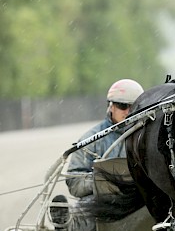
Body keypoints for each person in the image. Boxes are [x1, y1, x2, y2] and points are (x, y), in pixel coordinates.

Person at [50, 79, 144, 231]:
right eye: (122, 106)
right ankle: (67, 225)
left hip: (142, 197)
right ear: (111, 106)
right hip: (105, 199)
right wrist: (102, 181)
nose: (128, 112)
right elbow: (74, 182)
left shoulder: (148, 137)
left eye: (133, 107)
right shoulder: (92, 139)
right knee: (89, 207)